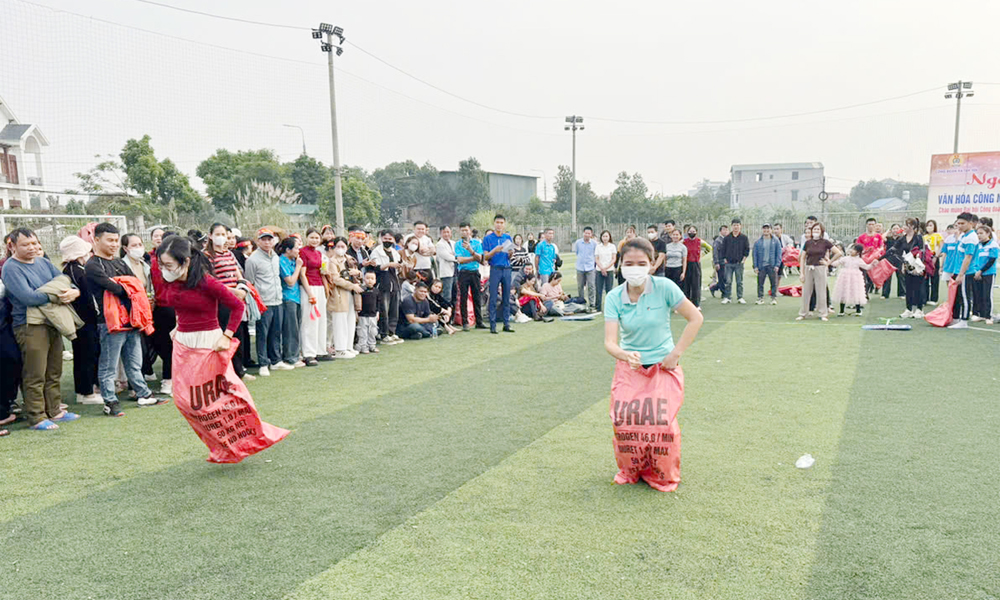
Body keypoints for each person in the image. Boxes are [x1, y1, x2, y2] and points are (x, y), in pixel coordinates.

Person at [602, 237, 704, 492]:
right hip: (631, 368)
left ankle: (661, 473)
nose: (635, 268)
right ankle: (631, 469)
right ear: (620, 265)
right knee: (624, 420)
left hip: (663, 367)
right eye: (628, 263)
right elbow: (610, 343)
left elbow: (695, 318)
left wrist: (675, 353)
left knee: (661, 423)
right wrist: (625, 355)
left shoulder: (665, 288)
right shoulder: (614, 297)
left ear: (651, 264)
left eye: (641, 263)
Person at [2, 228, 82, 430]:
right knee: (35, 373)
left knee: (54, 370)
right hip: (30, 325)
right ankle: (36, 416)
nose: (32, 248)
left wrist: (73, 291)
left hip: (52, 321)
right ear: (12, 245)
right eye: (25, 245)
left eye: (34, 243)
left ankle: (54, 410)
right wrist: (57, 294)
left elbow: (65, 280)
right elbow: (28, 297)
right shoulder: (11, 268)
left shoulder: (43, 262)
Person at [86, 223, 166, 416]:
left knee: (134, 361)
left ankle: (143, 394)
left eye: (116, 240)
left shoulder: (119, 262)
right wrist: (129, 287)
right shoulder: (93, 265)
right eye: (110, 240)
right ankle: (110, 401)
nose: (114, 244)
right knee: (109, 365)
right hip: (109, 321)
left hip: (132, 318)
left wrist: (129, 287)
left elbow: (135, 285)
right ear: (96, 240)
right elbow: (118, 288)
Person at [60, 235, 102, 404]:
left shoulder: (72, 270)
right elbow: (88, 295)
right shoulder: (76, 271)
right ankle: (87, 393)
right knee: (87, 355)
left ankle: (85, 390)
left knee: (84, 355)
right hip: (84, 321)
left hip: (81, 322)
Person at [244, 228, 290, 375]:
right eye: (263, 239)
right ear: (258, 241)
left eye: (269, 239)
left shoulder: (275, 257)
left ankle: (276, 360)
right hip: (263, 302)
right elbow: (250, 282)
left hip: (277, 300)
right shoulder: (253, 259)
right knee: (262, 333)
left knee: (276, 332)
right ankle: (263, 363)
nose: (267, 242)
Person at [120, 233, 157, 382]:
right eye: (134, 245)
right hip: (132, 313)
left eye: (140, 244)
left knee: (150, 343)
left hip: (148, 310)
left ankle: (147, 370)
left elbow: (151, 286)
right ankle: (136, 381)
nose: (138, 248)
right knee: (137, 346)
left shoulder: (145, 265)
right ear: (125, 248)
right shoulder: (122, 266)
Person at [296, 228, 332, 364]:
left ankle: (320, 350)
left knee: (321, 319)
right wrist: (309, 293)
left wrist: (326, 290)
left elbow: (322, 272)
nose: (314, 240)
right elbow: (302, 274)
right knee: (309, 320)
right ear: (307, 238)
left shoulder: (319, 254)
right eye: (312, 237)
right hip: (308, 287)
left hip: (320, 287)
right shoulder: (303, 252)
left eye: (317, 238)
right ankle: (308, 353)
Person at [148, 231, 177, 395]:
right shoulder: (154, 263)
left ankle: (171, 380)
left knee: (170, 347)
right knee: (167, 347)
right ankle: (168, 380)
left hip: (172, 307)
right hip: (163, 308)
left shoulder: (156, 261)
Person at [325, 236, 363, 359]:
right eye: (338, 246)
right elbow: (335, 279)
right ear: (333, 247)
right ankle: (340, 349)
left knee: (350, 320)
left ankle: (348, 346)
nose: (340, 249)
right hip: (339, 293)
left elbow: (359, 273)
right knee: (339, 321)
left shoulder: (350, 259)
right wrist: (352, 286)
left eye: (343, 246)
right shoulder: (332, 261)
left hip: (352, 294)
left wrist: (357, 273)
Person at [797, 222, 841, 321]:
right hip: (809, 267)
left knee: (821, 291)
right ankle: (803, 313)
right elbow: (803, 257)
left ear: (821, 231)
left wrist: (829, 262)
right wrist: (802, 273)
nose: (816, 231)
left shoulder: (825, 242)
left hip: (820, 268)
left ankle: (823, 313)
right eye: (814, 229)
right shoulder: (808, 243)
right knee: (806, 291)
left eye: (817, 229)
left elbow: (838, 253)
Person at [482, 214, 515, 333]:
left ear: (504, 224)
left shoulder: (508, 237)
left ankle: (506, 324)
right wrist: (494, 250)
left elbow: (509, 255)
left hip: (506, 268)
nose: (499, 225)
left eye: (501, 223)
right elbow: (485, 256)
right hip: (495, 268)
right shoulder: (488, 238)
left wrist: (511, 253)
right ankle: (493, 325)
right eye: (497, 222)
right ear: (494, 224)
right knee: (493, 297)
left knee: (506, 297)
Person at [371, 229, 404, 344]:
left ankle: (392, 332)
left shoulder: (395, 252)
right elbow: (376, 267)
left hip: (394, 282)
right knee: (384, 309)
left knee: (394, 308)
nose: (387, 241)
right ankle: (384, 334)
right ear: (380, 239)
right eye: (385, 239)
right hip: (383, 282)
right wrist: (389, 264)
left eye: (390, 239)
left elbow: (399, 264)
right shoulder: (376, 251)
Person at [276, 237, 305, 367]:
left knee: (295, 327)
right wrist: (299, 266)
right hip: (288, 298)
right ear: (288, 249)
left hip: (296, 297)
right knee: (290, 329)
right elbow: (290, 281)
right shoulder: (282, 261)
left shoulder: (292, 260)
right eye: (296, 248)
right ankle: (290, 356)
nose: (298, 250)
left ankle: (294, 353)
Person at [949, 213, 980, 329]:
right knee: (957, 296)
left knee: (965, 296)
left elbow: (968, 258)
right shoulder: (963, 236)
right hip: (958, 270)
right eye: (958, 224)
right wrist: (955, 271)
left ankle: (964, 320)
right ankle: (956, 318)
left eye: (962, 223)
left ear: (970, 223)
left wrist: (961, 274)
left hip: (967, 272)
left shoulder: (971, 238)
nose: (960, 226)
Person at [454, 223, 486, 332]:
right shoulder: (457, 244)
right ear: (459, 231)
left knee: (477, 297)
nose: (464, 232)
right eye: (462, 230)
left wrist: (470, 250)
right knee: (463, 298)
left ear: (470, 231)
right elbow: (460, 260)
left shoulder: (477, 243)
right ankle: (465, 322)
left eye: (466, 230)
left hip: (474, 272)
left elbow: (480, 258)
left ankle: (479, 321)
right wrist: (473, 257)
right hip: (463, 273)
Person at [894, 218, 926, 319]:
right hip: (908, 264)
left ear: (912, 226)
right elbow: (897, 250)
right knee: (908, 288)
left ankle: (919, 309)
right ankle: (908, 309)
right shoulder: (903, 238)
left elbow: (922, 252)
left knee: (918, 288)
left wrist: (919, 267)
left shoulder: (918, 237)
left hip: (917, 264)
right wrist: (903, 264)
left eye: (906, 225)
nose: (904, 227)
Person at [831, 243, 872, 316]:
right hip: (844, 277)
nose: (851, 251)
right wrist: (829, 261)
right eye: (851, 249)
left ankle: (858, 310)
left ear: (858, 252)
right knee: (843, 292)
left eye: (854, 250)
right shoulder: (845, 258)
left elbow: (866, 267)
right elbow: (836, 263)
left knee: (856, 292)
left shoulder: (859, 260)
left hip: (855, 278)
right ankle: (841, 310)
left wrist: (873, 264)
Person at [969, 225, 997, 325]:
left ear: (988, 234)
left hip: (988, 273)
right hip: (977, 273)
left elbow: (991, 260)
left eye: (981, 233)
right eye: (978, 233)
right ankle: (978, 314)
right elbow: (974, 259)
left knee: (987, 294)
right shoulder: (978, 245)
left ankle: (988, 316)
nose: (979, 235)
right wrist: (976, 271)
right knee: (977, 294)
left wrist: (981, 271)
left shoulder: (993, 244)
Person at [720, 218, 750, 304]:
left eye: (737, 225)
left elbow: (746, 250)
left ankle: (740, 297)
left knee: (739, 281)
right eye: (734, 225)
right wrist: (725, 259)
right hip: (728, 263)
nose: (736, 227)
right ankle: (727, 297)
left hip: (739, 263)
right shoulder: (727, 238)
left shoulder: (744, 238)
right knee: (728, 281)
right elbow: (723, 250)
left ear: (740, 226)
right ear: (731, 226)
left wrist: (743, 260)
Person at [752, 224, 781, 305]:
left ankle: (773, 298)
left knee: (773, 283)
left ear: (771, 230)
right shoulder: (758, 242)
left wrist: (777, 265)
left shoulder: (775, 241)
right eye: (764, 229)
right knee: (760, 283)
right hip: (762, 266)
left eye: (768, 229)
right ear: (762, 230)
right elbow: (754, 254)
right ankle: (760, 298)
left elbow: (779, 253)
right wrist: (755, 266)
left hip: (772, 265)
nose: (766, 230)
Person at [680, 225, 708, 307]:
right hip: (686, 264)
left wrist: (701, 255)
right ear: (687, 232)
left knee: (696, 284)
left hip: (696, 264)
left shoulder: (699, 241)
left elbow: (709, 248)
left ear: (696, 232)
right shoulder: (684, 242)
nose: (691, 233)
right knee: (686, 284)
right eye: (690, 231)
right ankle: (687, 303)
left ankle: (696, 304)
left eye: (693, 231)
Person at [572, 227, 599, 312]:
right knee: (580, 286)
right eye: (585, 233)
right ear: (583, 233)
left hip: (590, 267)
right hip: (580, 267)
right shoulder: (578, 243)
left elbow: (595, 254)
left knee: (591, 286)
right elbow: (577, 253)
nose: (587, 235)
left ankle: (592, 304)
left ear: (591, 234)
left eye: (589, 233)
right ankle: (581, 303)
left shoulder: (594, 244)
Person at [355, 270, 380, 353]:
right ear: (364, 279)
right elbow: (357, 302)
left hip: (373, 315)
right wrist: (357, 313)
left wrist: (378, 313)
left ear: (375, 280)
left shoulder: (376, 291)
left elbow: (378, 303)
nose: (370, 280)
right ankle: (363, 346)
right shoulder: (361, 290)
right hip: (362, 315)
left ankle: (372, 345)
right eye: (368, 278)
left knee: (373, 331)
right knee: (362, 331)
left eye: (372, 278)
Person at [594, 230, 617, 312]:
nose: (605, 238)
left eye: (607, 236)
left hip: (609, 270)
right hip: (599, 270)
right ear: (601, 237)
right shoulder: (598, 246)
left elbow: (614, 259)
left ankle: (609, 307)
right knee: (598, 289)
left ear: (609, 237)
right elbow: (596, 259)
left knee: (609, 290)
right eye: (603, 236)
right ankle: (598, 307)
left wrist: (606, 268)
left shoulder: (612, 246)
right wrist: (602, 268)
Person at [923, 219, 944, 305]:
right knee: (925, 279)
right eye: (928, 225)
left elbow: (941, 246)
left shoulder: (937, 235)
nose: (929, 227)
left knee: (934, 279)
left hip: (934, 258)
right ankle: (925, 298)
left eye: (931, 225)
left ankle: (934, 299)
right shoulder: (924, 237)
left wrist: (936, 257)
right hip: (925, 259)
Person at [435, 226, 457, 305]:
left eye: (448, 232)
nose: (446, 234)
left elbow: (457, 253)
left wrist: (454, 255)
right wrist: (456, 257)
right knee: (446, 296)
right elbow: (447, 257)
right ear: (441, 233)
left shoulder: (453, 243)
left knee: (455, 295)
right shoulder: (439, 244)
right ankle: (445, 314)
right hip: (446, 273)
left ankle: (453, 315)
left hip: (455, 272)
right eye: (444, 232)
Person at [708, 225, 729, 297]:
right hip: (720, 262)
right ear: (720, 231)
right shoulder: (718, 241)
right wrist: (716, 262)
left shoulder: (727, 239)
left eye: (726, 230)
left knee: (726, 278)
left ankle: (714, 288)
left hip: (727, 262)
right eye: (724, 230)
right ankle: (724, 293)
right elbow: (715, 252)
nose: (725, 231)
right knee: (721, 278)